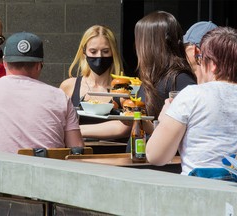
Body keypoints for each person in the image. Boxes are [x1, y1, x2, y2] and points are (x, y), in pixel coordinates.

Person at [0, 32, 84, 153]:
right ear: (39, 65)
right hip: (49, 177)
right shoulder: (60, 97)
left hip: (1, 177)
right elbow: (77, 149)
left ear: (5, 63)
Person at [146, 27, 237, 177]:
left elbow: (156, 155)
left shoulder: (192, 95)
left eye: (201, 59)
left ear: (212, 64)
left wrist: (165, 119)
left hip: (197, 192)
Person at [125, 11, 197, 152]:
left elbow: (184, 132)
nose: (136, 47)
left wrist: (153, 128)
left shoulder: (181, 80)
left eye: (139, 41)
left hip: (159, 166)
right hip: (139, 160)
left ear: (150, 45)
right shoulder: (152, 78)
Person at [60, 25, 132, 141]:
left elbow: (126, 126)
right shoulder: (69, 86)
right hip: (77, 155)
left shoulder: (124, 88)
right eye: (93, 51)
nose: (99, 56)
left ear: (113, 53)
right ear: (84, 53)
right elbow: (58, 122)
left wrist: (76, 130)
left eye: (105, 51)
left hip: (114, 155)